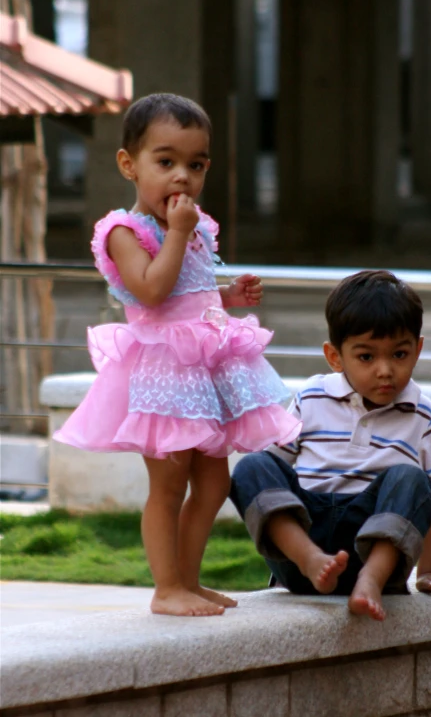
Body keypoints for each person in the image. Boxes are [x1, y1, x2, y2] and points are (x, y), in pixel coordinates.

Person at [54, 93, 300, 617]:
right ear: (129, 164)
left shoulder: (192, 226)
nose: (182, 177)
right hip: (164, 371)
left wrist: (229, 295)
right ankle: (166, 588)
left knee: (214, 481)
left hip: (204, 366)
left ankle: (189, 579)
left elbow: (192, 291)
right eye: (165, 163)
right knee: (168, 483)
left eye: (196, 164)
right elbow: (151, 292)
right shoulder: (126, 231)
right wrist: (180, 233)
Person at [230, 270, 431, 621]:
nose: (385, 371)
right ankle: (310, 560)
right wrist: (304, 551)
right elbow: (273, 474)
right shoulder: (311, 396)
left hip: (374, 550)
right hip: (304, 542)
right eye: (367, 357)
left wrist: (427, 572)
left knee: (411, 478)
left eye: (399, 354)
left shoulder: (422, 413)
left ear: (418, 349)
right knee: (252, 466)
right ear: (335, 357)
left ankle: (368, 581)